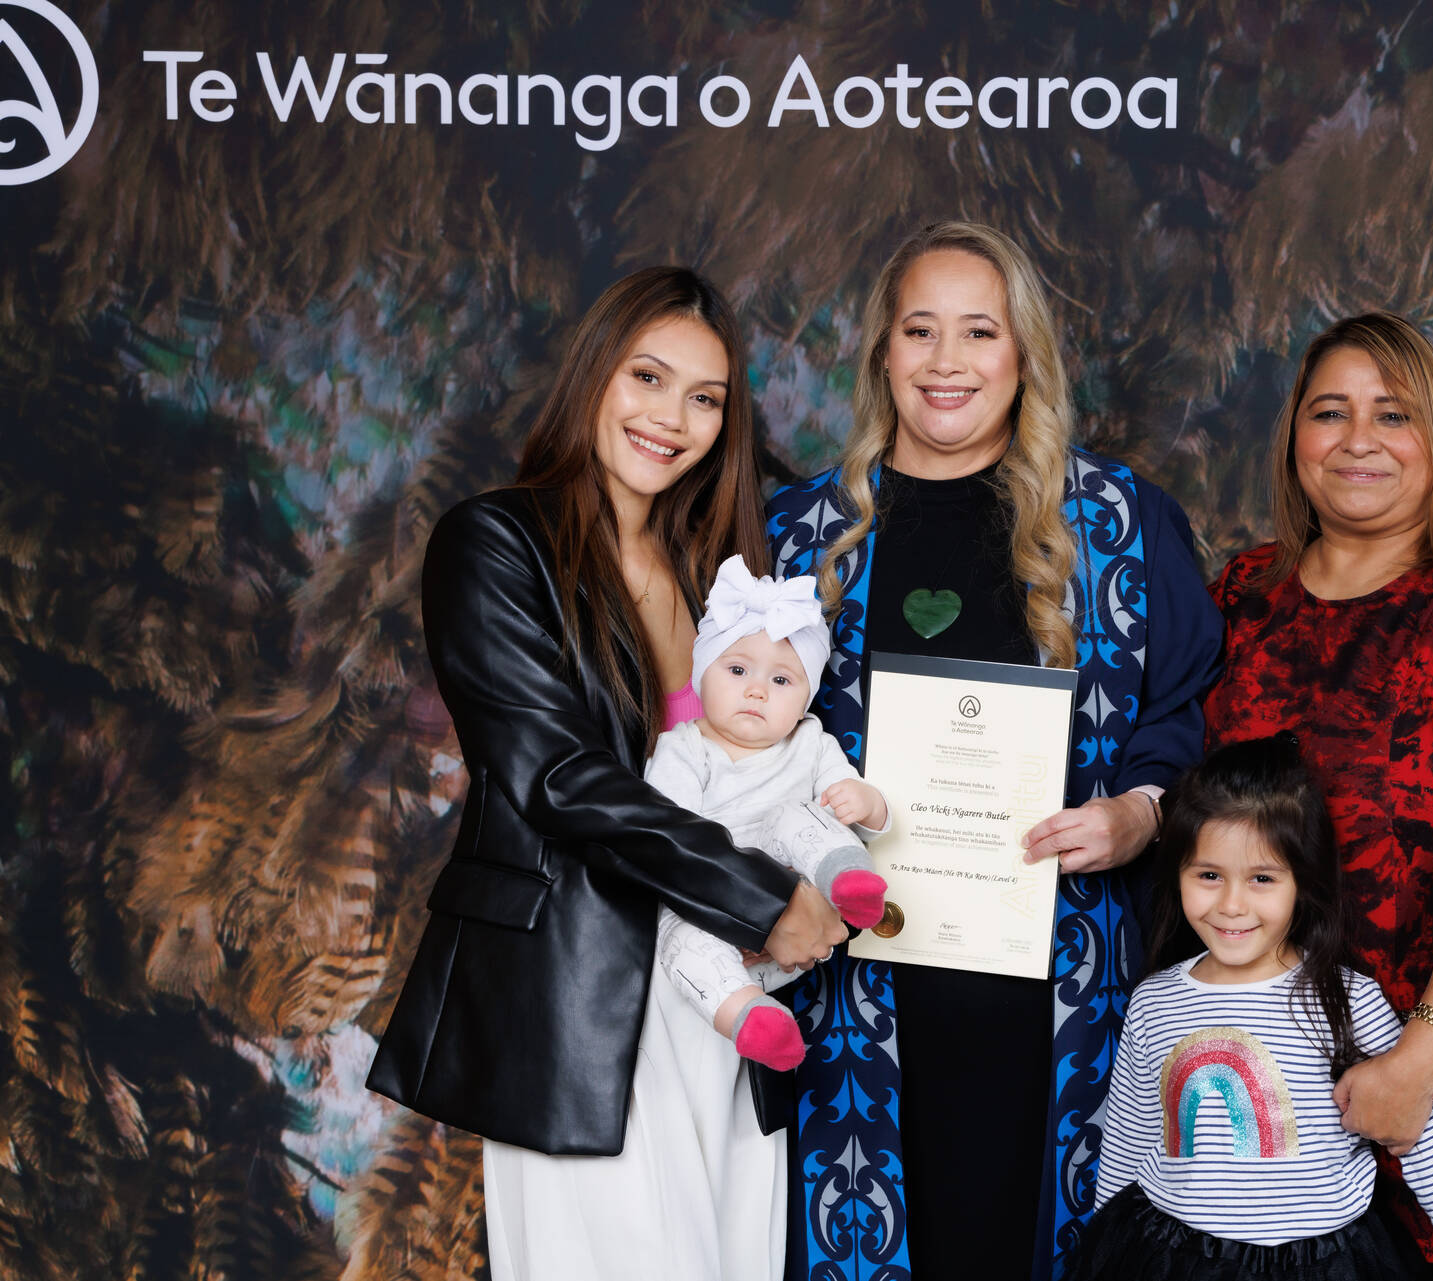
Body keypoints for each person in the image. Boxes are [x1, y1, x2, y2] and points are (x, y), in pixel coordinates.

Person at [366, 267, 847, 1281]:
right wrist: (764, 898)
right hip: (584, 1004)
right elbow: (556, 778)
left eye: (705, 398)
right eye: (648, 377)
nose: (671, 418)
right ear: (594, 375)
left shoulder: (718, 574)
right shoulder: (494, 543)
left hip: (730, 1002)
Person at [765, 220, 1224, 1280]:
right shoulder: (800, 536)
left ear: (1024, 354)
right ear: (882, 350)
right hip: (858, 999)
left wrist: (1137, 815)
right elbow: (738, 740)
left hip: (1059, 992)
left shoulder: (1118, 525)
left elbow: (1181, 714)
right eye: (919, 330)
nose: (946, 361)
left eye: (979, 332)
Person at [1205, 313, 1433, 1271]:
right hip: (1261, 1085)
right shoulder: (1242, 592)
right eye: (1330, 412)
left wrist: (1420, 1060)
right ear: (1296, 437)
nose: (1359, 439)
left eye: (1393, 414)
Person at [1078, 734, 1433, 1281]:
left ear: (1302, 882)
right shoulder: (1155, 1001)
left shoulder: (1344, 997)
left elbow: (1432, 1145)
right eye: (1208, 875)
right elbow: (1126, 1146)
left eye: (1262, 879)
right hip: (1174, 1261)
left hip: (1324, 1266)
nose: (1231, 905)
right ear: (1177, 871)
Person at [647, 554, 890, 1072]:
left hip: (799, 928)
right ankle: (753, 1020)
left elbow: (857, 805)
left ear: (805, 700)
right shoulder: (682, 749)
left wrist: (867, 804)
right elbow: (672, 842)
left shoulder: (809, 742)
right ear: (700, 676)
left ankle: (853, 884)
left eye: (782, 681)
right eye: (736, 670)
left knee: (796, 818)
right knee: (680, 945)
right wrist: (740, 910)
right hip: (716, 923)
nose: (757, 690)